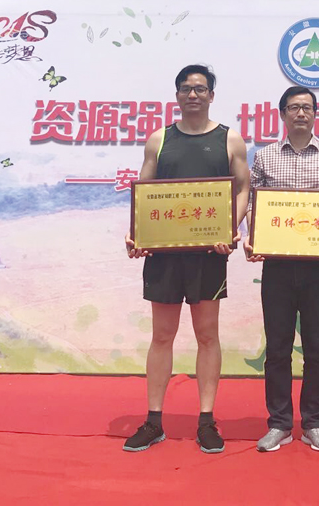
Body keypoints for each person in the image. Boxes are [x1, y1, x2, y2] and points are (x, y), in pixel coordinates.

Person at [123, 64, 250, 453]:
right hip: (165, 254)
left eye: (200, 88)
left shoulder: (230, 139)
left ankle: (207, 420)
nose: (192, 94)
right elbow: (144, 192)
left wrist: (231, 227)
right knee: (162, 336)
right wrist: (136, 233)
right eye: (185, 89)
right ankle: (154, 420)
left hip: (209, 254)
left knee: (207, 335)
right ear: (177, 95)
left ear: (212, 95)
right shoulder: (159, 139)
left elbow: (243, 188)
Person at [244, 86, 319, 452]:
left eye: (307, 107)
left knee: (318, 348)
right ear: (283, 114)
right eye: (294, 108)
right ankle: (279, 423)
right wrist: (253, 238)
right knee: (277, 348)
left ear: (316, 114)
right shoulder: (265, 156)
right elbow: (254, 205)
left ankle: (314, 423)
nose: (301, 113)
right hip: (277, 266)